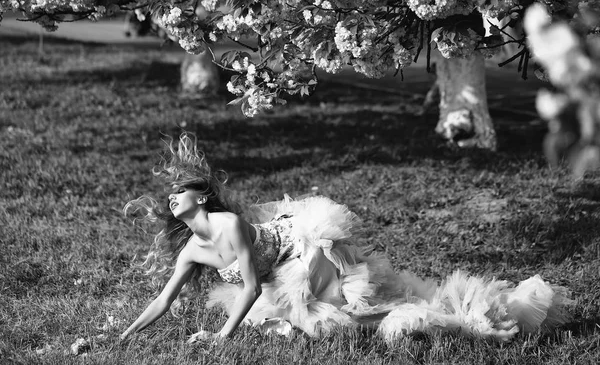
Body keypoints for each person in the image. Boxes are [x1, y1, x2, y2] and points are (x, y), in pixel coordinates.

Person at [120, 133, 572, 343]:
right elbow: (162, 300)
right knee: (322, 319)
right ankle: (416, 317)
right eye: (171, 194)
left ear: (201, 198)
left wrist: (221, 336)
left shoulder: (230, 226)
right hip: (275, 273)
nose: (173, 197)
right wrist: (128, 334)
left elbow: (254, 286)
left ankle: (441, 316)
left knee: (344, 309)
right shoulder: (193, 250)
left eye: (181, 190)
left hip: (302, 245)